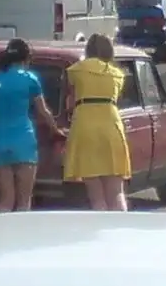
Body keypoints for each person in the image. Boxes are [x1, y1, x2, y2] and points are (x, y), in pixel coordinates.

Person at [0, 38, 63, 212]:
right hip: (23, 138)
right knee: (24, 201)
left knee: (5, 201)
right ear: (27, 58)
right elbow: (43, 111)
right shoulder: (30, 79)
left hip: (0, 138)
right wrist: (56, 130)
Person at [64, 33, 131, 211]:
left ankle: (100, 224)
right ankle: (121, 225)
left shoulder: (75, 70)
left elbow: (69, 102)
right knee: (117, 192)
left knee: (96, 195)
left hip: (85, 125)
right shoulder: (118, 74)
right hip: (112, 125)